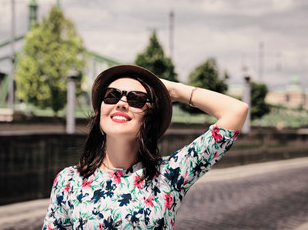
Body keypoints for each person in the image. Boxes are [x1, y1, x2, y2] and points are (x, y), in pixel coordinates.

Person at [42, 64, 248, 229]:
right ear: (100, 113)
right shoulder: (69, 181)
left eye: (136, 99)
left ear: (148, 120)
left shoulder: (170, 175)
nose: (121, 103)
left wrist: (174, 90)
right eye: (112, 95)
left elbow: (236, 111)